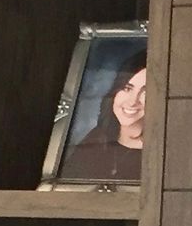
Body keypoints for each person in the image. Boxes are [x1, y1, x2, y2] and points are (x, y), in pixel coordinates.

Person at [63, 54, 147, 183]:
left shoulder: (160, 156)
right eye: (127, 88)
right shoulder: (96, 138)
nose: (132, 102)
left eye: (146, 93)